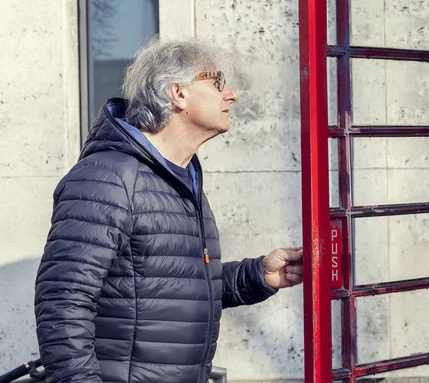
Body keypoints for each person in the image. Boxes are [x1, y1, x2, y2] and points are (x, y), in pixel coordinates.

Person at [34, 38, 304, 383]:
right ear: (178, 93)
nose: (232, 94)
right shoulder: (108, 177)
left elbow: (167, 287)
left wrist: (256, 276)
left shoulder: (182, 177)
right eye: (217, 82)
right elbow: (63, 303)